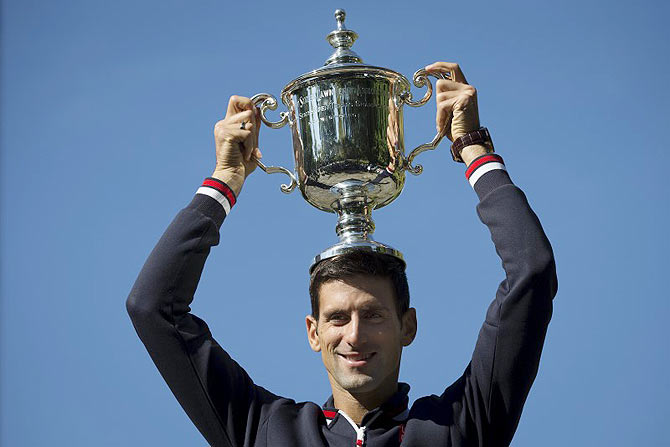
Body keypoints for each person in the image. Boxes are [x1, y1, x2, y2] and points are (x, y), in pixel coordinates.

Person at [126, 62, 558, 446]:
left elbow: (531, 271)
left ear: (408, 325)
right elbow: (152, 308)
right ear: (313, 332)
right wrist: (225, 179)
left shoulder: (459, 427)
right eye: (337, 317)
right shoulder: (264, 430)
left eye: (372, 314)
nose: (354, 335)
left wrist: (474, 149)